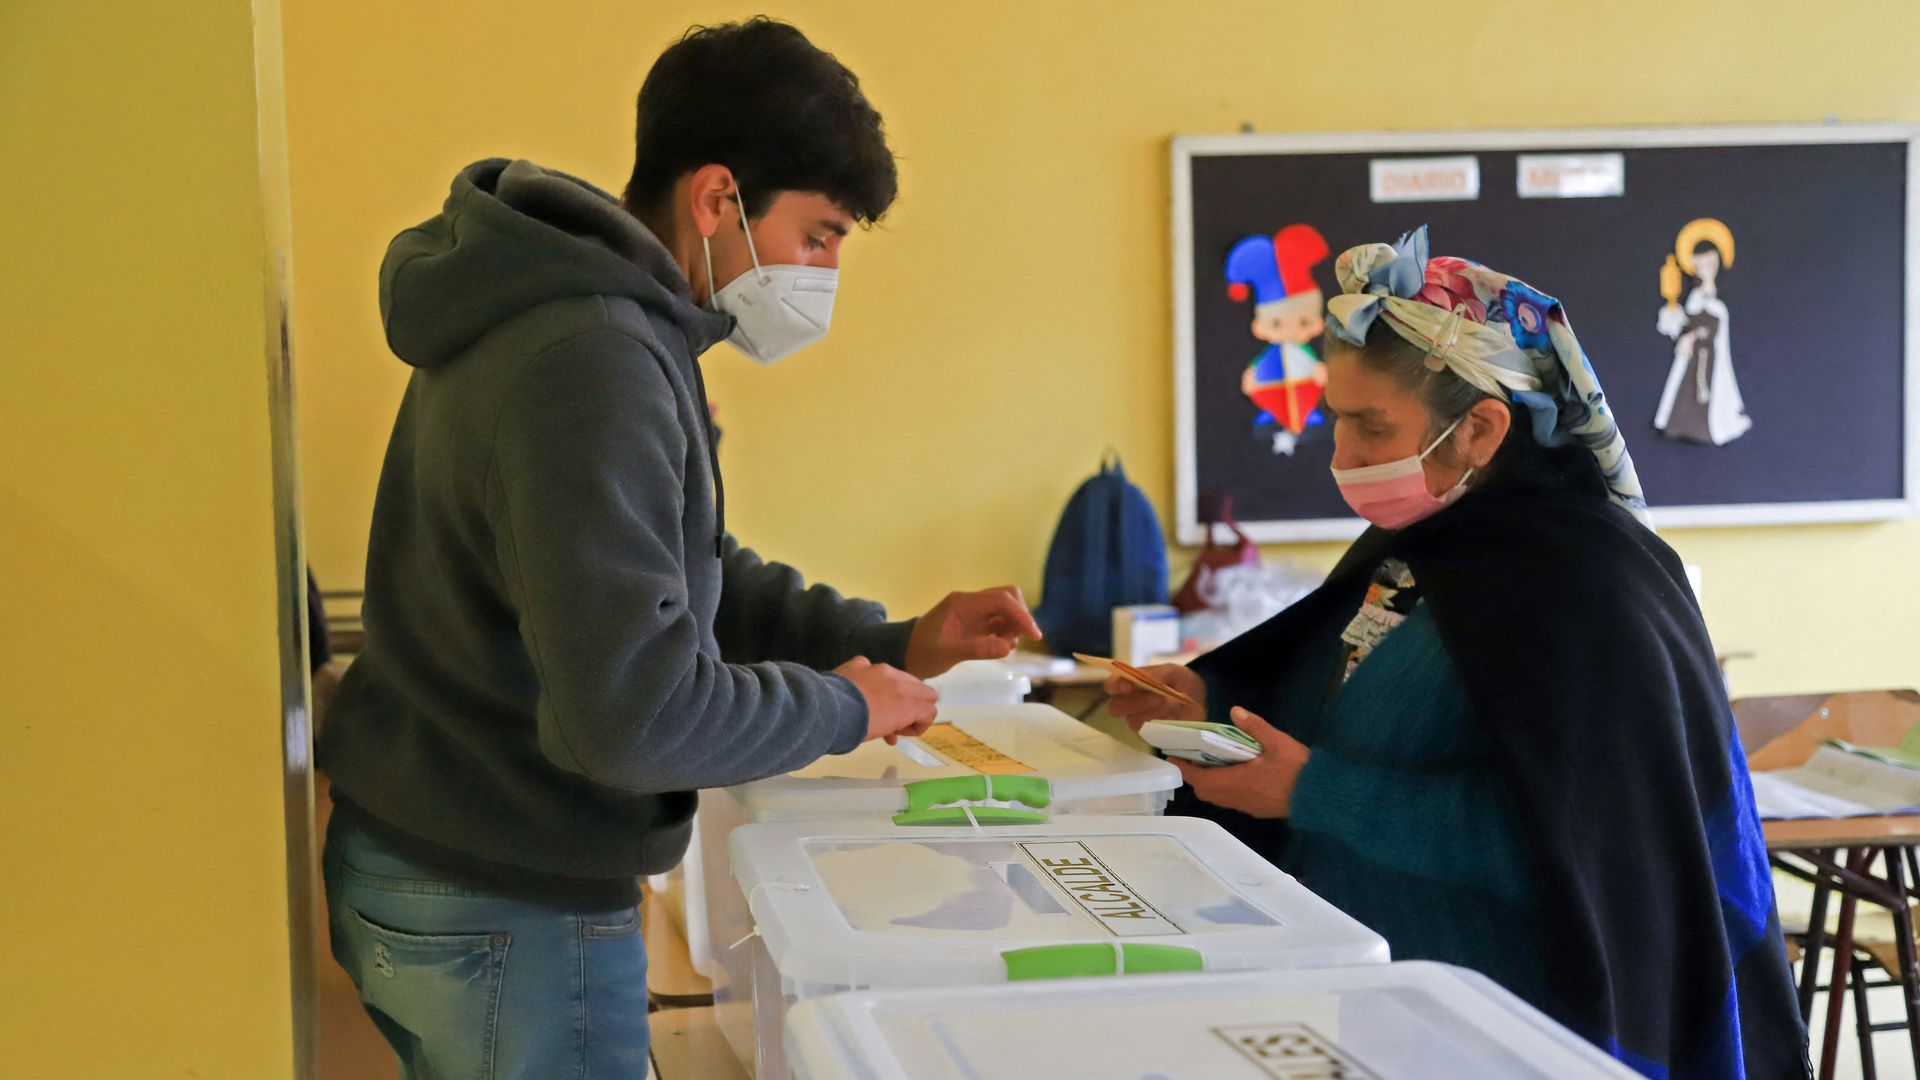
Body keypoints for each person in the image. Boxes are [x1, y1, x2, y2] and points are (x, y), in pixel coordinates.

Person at [316, 18, 1040, 1077]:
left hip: (453, 855)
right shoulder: (592, 359)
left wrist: (891, 640)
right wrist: (844, 705)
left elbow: (686, 570)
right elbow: (638, 714)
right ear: (716, 200)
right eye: (820, 235)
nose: (824, 271)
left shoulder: (586, 322)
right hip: (503, 888)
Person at [1108, 228, 1807, 1079]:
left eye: (1371, 427)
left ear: (1480, 428)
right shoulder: (1425, 549)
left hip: (1510, 1030)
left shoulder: (1590, 591)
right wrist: (1208, 707)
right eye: (1337, 424)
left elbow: (1584, 849)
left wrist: (1310, 791)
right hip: (1375, 1008)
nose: (1344, 457)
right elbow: (1333, 700)